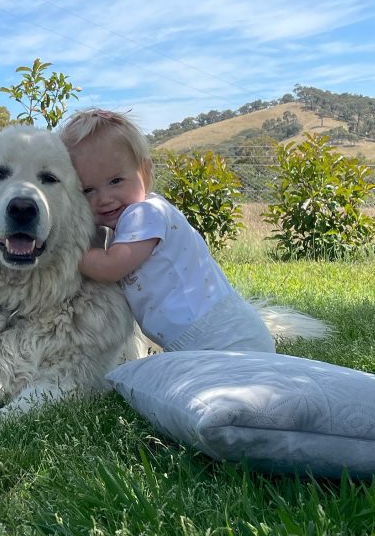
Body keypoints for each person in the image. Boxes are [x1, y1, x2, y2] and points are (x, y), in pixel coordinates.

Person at [58, 108, 276, 353]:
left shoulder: (143, 214)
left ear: (146, 172)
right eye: (88, 190)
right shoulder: (141, 215)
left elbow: (111, 267)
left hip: (218, 334)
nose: (105, 198)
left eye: (116, 181)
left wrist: (66, 250)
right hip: (204, 336)